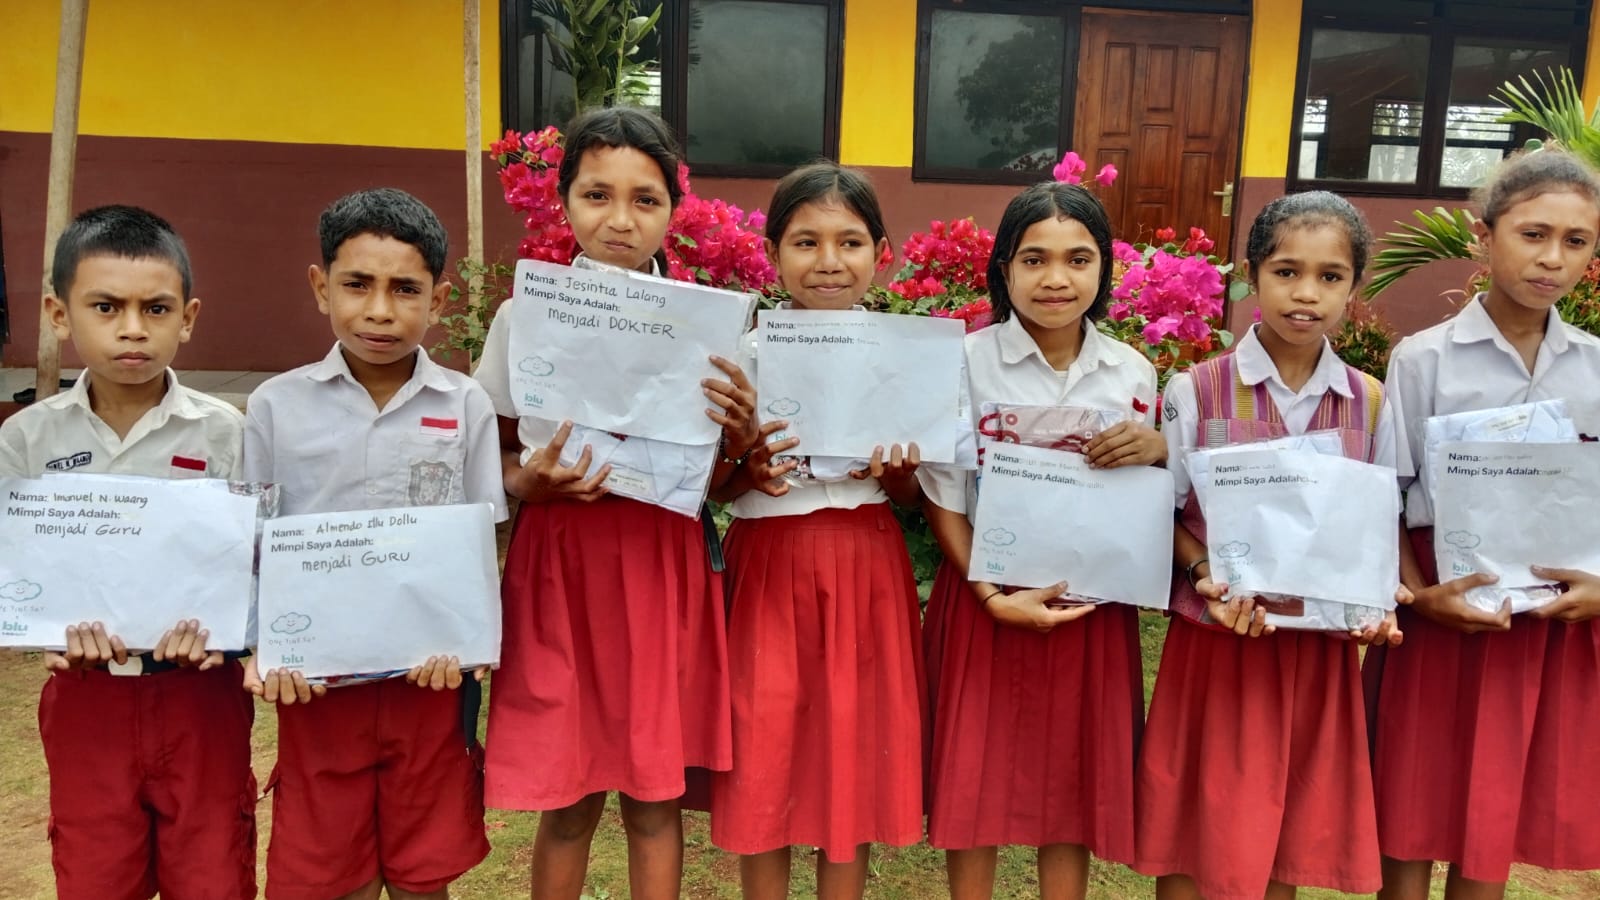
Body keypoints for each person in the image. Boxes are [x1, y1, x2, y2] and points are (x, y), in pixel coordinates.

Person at [474, 106, 758, 900]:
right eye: (597, 195)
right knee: (566, 799)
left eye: (645, 199)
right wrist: (525, 481)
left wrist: (739, 433)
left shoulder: (709, 326)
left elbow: (721, 478)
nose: (621, 220)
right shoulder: (523, 317)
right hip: (561, 568)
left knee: (654, 798)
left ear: (673, 209)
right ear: (564, 200)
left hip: (661, 567)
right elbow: (491, 451)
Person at [1135, 190, 1405, 900]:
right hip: (1219, 643)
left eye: (1330, 276)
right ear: (1253, 275)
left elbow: (1378, 520)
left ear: (1354, 286)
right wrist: (1202, 571)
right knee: (1196, 827)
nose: (1306, 294)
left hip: (1315, 652)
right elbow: (1162, 510)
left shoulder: (1372, 401)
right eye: (1287, 272)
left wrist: (1379, 600)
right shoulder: (1196, 390)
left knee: (1285, 829)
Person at [243, 188, 506, 900]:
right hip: (317, 688)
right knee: (333, 872)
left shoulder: (465, 405)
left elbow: (477, 537)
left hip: (430, 684)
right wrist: (265, 648)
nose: (381, 311)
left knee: (424, 870)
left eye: (406, 289)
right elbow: (254, 543)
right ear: (320, 286)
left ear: (438, 299)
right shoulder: (275, 407)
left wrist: (471, 641)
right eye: (357, 284)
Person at [0, 205, 257, 899]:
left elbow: (253, 563)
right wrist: (46, 630)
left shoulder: (227, 434)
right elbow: (17, 569)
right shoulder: (26, 441)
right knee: (96, 874)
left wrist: (230, 632)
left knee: (213, 873)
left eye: (157, 308)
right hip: (86, 702)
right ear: (59, 315)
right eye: (106, 306)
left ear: (188, 317)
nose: (133, 328)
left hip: (201, 698)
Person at [919, 181, 1164, 900]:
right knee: (974, 786)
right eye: (1034, 259)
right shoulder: (964, 361)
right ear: (1004, 269)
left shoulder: (1133, 372)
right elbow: (943, 493)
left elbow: (1145, 495)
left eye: (1077, 259)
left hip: (1091, 611)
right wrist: (989, 594)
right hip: (985, 599)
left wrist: (1158, 450)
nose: (1056, 278)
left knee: (1073, 790)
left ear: (1103, 268)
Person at [1368, 148, 1600, 900]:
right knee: (1412, 800)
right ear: (1485, 236)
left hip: (1548, 626)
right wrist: (1418, 596)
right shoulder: (1424, 361)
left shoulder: (1596, 368)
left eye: (1576, 241)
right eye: (1533, 234)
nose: (1552, 258)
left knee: (1492, 813)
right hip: (1445, 609)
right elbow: (1387, 492)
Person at [706, 161, 925, 900]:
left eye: (850, 242)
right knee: (762, 747)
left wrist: (901, 476)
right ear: (773, 253)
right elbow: (714, 488)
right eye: (806, 242)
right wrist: (745, 462)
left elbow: (917, 495)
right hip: (767, 563)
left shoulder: (908, 357)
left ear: (881, 254)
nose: (829, 261)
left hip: (866, 563)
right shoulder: (741, 357)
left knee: (852, 752)